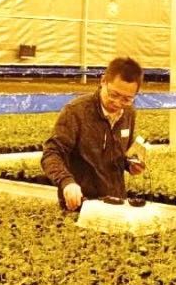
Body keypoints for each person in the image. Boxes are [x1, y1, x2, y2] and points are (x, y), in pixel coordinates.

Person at [41, 57, 148, 210]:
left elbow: (122, 153)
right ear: (103, 81)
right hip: (81, 205)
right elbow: (51, 153)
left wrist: (131, 164)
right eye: (114, 95)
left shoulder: (129, 113)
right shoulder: (76, 111)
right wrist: (67, 182)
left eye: (127, 99)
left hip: (116, 204)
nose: (118, 103)